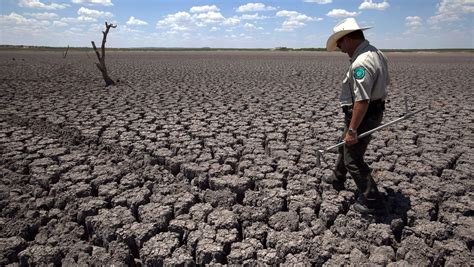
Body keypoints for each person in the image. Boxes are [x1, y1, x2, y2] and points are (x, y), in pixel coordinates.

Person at [323, 18, 389, 214]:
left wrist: (352, 129)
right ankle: (337, 178)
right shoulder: (376, 53)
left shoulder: (361, 63)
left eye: (341, 43)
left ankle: (372, 200)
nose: (341, 49)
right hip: (369, 112)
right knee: (345, 144)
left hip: (363, 115)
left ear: (348, 39)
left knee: (353, 157)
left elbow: (362, 101)